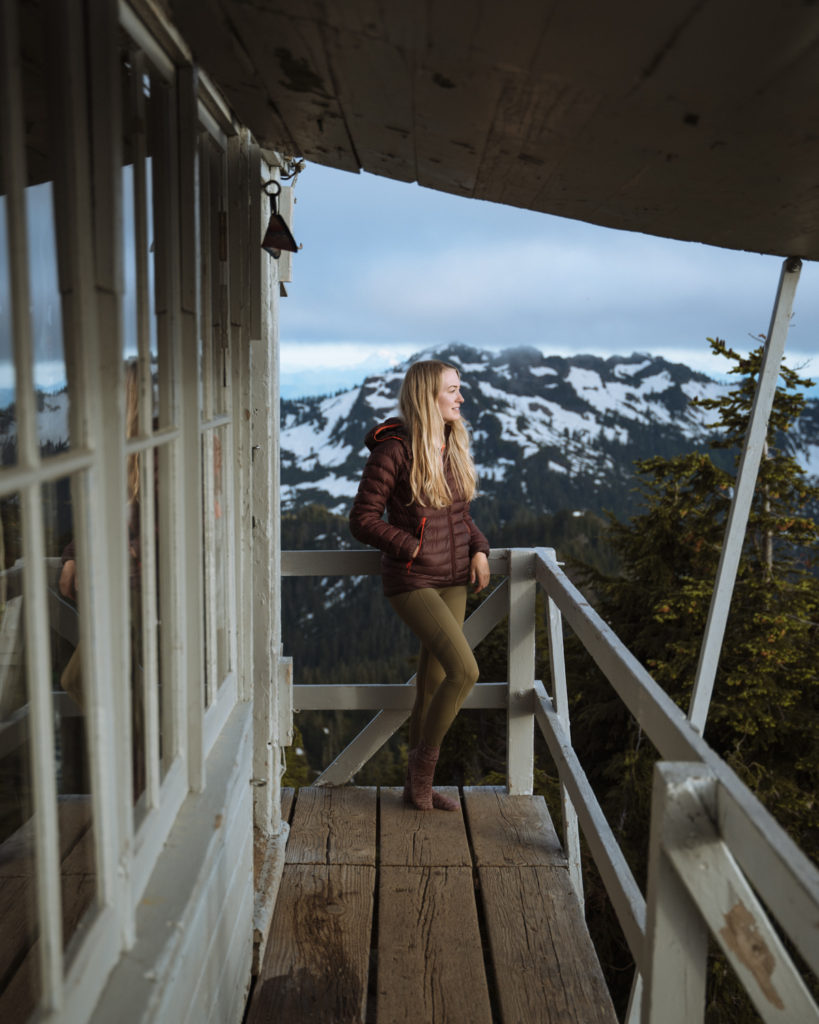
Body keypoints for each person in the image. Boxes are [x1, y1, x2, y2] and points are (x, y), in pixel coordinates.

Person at [350, 360, 491, 811]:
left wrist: (480, 548)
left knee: (431, 685)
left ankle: (415, 791)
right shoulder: (395, 450)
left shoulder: (451, 440)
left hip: (454, 579)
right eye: (452, 390)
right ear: (428, 395)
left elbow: (461, 517)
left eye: (459, 389)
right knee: (465, 672)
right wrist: (411, 549)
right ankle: (423, 779)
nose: (461, 398)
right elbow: (363, 520)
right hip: (413, 580)